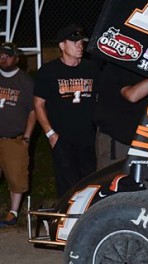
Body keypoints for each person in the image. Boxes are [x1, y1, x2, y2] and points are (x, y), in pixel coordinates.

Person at [34, 24, 100, 198]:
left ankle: (86, 222)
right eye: (74, 42)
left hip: (89, 138)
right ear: (62, 45)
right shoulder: (48, 72)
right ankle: (66, 223)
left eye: (81, 42)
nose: (79, 46)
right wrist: (51, 134)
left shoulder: (92, 68)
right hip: (62, 139)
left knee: (90, 185)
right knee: (67, 188)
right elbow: (39, 104)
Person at [94, 63, 148, 169]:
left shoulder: (147, 68)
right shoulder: (117, 66)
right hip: (117, 139)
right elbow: (132, 95)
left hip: (141, 139)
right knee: (112, 179)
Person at [0, 42, 35, 227]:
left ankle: (13, 213)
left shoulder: (25, 81)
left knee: (16, 178)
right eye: (1, 55)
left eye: (7, 55)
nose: (3, 58)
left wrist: (27, 137)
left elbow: (33, 111)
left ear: (16, 58)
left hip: (14, 138)